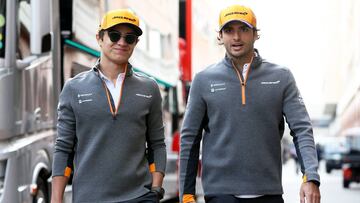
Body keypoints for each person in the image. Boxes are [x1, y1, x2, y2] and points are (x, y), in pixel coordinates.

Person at [179, 4, 321, 203]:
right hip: (220, 194)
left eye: (244, 29)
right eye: (229, 30)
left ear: (256, 34)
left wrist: (311, 177)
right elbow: (189, 139)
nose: (236, 38)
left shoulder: (281, 77)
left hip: (269, 193)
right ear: (220, 36)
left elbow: (301, 129)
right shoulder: (203, 80)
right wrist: (186, 194)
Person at [51, 9, 166, 203]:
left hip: (139, 197)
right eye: (114, 35)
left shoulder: (149, 88)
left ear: (135, 43)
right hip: (89, 198)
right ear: (99, 38)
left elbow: (157, 144)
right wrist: (56, 199)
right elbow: (64, 149)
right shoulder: (73, 88)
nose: (122, 42)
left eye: (129, 38)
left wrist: (155, 189)